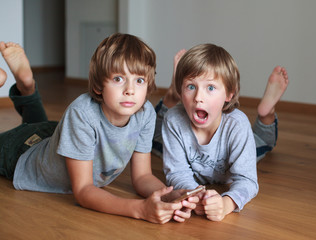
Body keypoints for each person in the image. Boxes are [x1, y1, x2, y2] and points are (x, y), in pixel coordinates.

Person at [0, 34, 198, 224]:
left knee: (39, 128)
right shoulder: (82, 114)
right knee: (31, 132)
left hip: (57, 139)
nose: (130, 90)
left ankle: (27, 87)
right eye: (119, 79)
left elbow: (142, 177)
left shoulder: (145, 113)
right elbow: (84, 190)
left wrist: (168, 195)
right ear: (97, 86)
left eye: (139, 80)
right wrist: (139, 209)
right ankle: (26, 87)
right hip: (20, 152)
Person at [153, 45, 289, 221]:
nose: (198, 97)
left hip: (233, 157)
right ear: (182, 91)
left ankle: (266, 114)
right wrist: (195, 196)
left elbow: (247, 180)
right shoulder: (174, 120)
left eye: (210, 88)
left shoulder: (237, 126)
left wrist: (227, 204)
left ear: (229, 94)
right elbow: (177, 173)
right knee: (155, 141)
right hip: (176, 122)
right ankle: (171, 95)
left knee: (262, 143)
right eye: (191, 86)